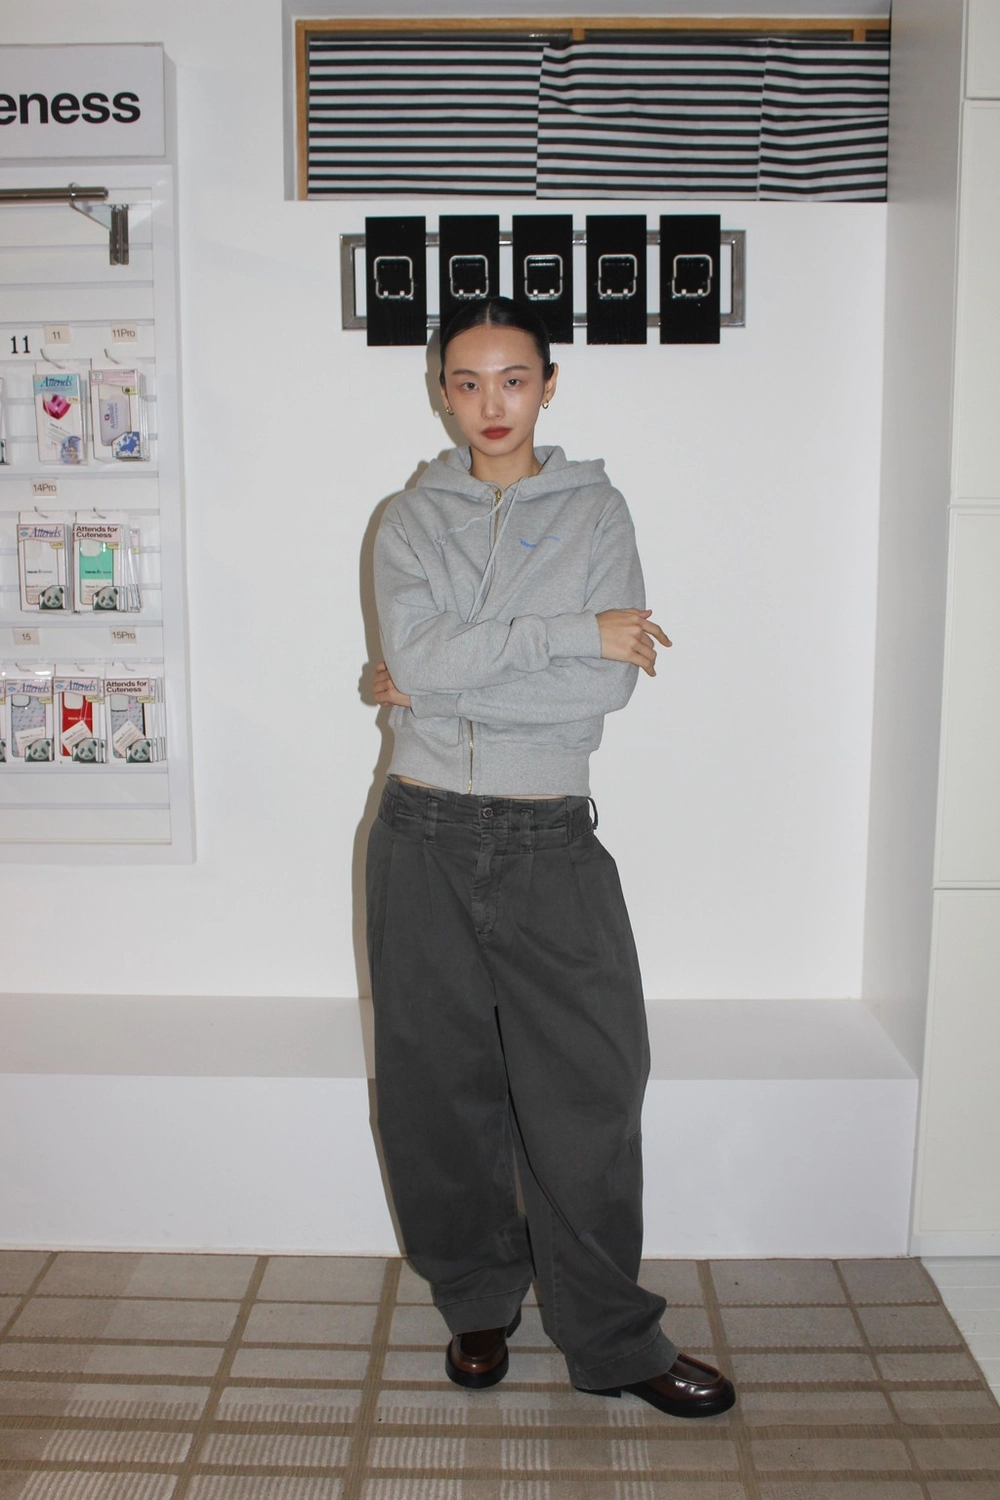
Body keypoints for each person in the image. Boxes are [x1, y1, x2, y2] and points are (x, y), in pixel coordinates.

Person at [366, 296, 735, 1420]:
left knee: (591, 1092)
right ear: (441, 391)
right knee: (437, 1093)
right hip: (422, 834)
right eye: (467, 381)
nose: (492, 403)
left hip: (548, 839)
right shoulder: (406, 521)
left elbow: (604, 690)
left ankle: (611, 1338)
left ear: (549, 385)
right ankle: (477, 1300)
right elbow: (428, 654)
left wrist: (441, 677)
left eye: (514, 379)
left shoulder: (596, 511)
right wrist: (570, 631)